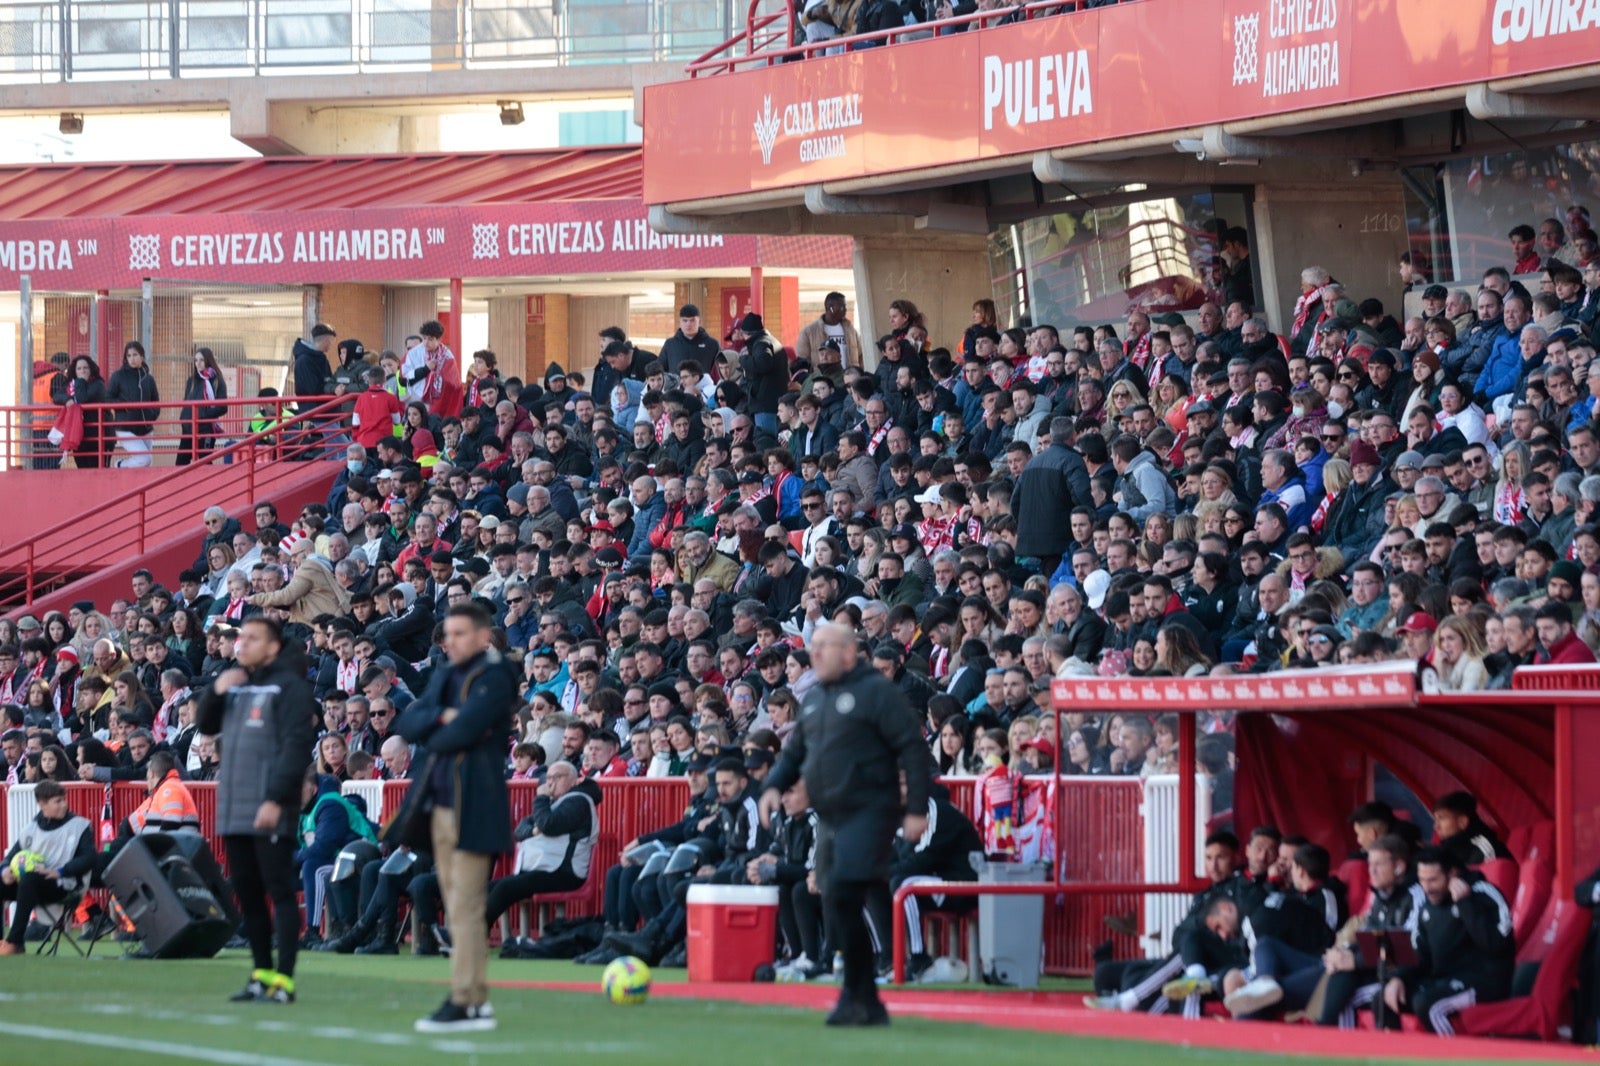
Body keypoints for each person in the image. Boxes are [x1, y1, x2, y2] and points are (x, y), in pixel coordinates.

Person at [760, 622, 931, 1027]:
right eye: (812, 647)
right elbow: (793, 753)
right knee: (839, 899)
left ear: (850, 653)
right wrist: (772, 787)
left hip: (871, 809)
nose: (814, 654)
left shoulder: (876, 692)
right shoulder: (816, 697)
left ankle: (857, 992)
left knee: (843, 889)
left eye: (825, 647)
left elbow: (912, 748)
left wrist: (917, 809)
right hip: (832, 815)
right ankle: (865, 998)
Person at [388, 602, 514, 1034]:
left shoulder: (497, 674)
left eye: (461, 633)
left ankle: (467, 999)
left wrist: (441, 723)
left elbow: (464, 729)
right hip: (438, 804)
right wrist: (445, 716)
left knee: (464, 905)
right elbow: (409, 720)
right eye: (448, 634)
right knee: (456, 904)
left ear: (482, 636)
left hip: (474, 803)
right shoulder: (445, 673)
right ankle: (473, 1001)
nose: (451, 641)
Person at [195, 616, 318, 1005]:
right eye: (240, 638)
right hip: (234, 805)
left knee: (279, 891)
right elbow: (205, 725)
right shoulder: (236, 682)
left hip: (270, 805)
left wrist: (275, 799)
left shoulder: (290, 687)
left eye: (252, 638)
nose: (241, 644)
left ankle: (285, 979)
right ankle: (260, 974)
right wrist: (215, 689)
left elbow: (296, 747)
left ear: (274, 647)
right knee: (247, 894)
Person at [484, 760, 600, 932]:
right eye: (549, 777)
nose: (551, 782)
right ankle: (463, 933)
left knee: (505, 887)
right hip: (544, 868)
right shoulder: (553, 803)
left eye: (557, 777)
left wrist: (541, 798)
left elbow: (548, 825)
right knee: (486, 889)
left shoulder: (579, 801)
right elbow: (520, 830)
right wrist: (535, 830)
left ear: (575, 780)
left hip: (564, 872)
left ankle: (474, 936)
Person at [0, 779, 93, 954]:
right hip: (34, 885)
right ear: (42, 804)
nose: (64, 805)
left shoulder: (80, 826)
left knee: (28, 879)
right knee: (8, 880)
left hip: (65, 885)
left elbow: (89, 859)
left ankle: (15, 942)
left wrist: (60, 871)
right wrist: (5, 870)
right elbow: (9, 857)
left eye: (63, 799)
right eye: (57, 801)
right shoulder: (31, 829)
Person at [105, 341, 161, 469]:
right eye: (128, 356)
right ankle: (119, 464)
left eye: (135, 355)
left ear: (142, 356)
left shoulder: (148, 378)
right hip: (125, 428)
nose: (132, 359)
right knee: (144, 459)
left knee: (145, 465)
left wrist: (152, 415)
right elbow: (107, 399)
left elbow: (156, 402)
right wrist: (124, 405)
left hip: (146, 428)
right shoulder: (118, 376)